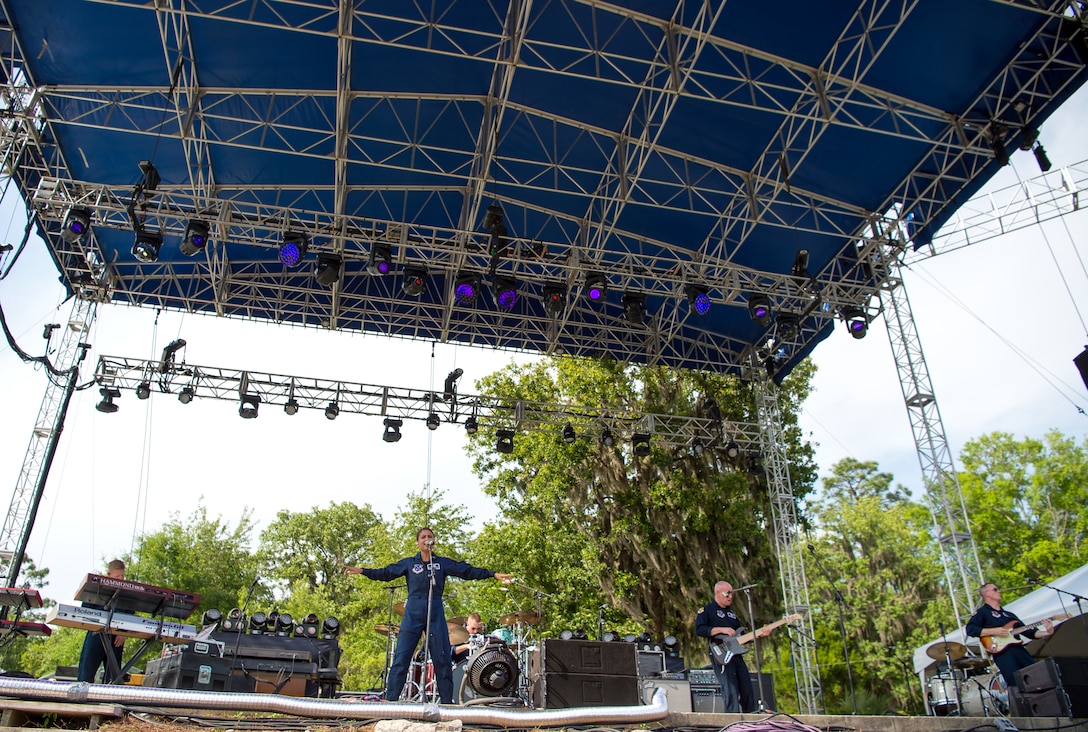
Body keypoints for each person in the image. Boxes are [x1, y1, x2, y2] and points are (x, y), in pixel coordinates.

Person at [346, 527, 513, 704]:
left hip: (435, 612)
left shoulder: (441, 563)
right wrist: (363, 571)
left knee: (442, 660)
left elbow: (465, 570)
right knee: (401, 659)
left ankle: (447, 703)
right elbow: (386, 573)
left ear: (433, 541)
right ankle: (391, 701)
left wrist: (492, 574)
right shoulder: (409, 563)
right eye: (423, 537)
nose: (427, 539)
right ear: (418, 542)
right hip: (413, 613)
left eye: (430, 536)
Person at [695, 581, 772, 713]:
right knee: (730, 689)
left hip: (736, 654)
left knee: (746, 688)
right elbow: (700, 630)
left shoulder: (732, 615)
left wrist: (759, 635)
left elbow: (741, 637)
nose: (730, 597)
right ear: (717, 593)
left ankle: (749, 719)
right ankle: (732, 720)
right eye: (727, 594)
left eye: (732, 594)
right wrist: (721, 630)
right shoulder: (707, 610)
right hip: (721, 653)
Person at [966, 582, 1052, 688]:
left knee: (1036, 676)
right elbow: (970, 630)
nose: (999, 591)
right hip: (1003, 653)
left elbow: (1030, 632)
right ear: (987, 594)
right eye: (995, 589)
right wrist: (994, 631)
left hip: (1019, 650)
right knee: (1016, 684)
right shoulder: (982, 612)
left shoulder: (1009, 615)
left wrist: (1047, 632)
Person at [77, 559, 127, 683]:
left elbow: (130, 615)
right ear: (108, 575)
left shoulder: (127, 593)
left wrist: (124, 632)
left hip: (116, 638)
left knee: (113, 675)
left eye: (122, 576)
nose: (120, 579)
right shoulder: (97, 589)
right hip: (96, 634)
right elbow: (85, 611)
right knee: (86, 671)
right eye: (117, 576)